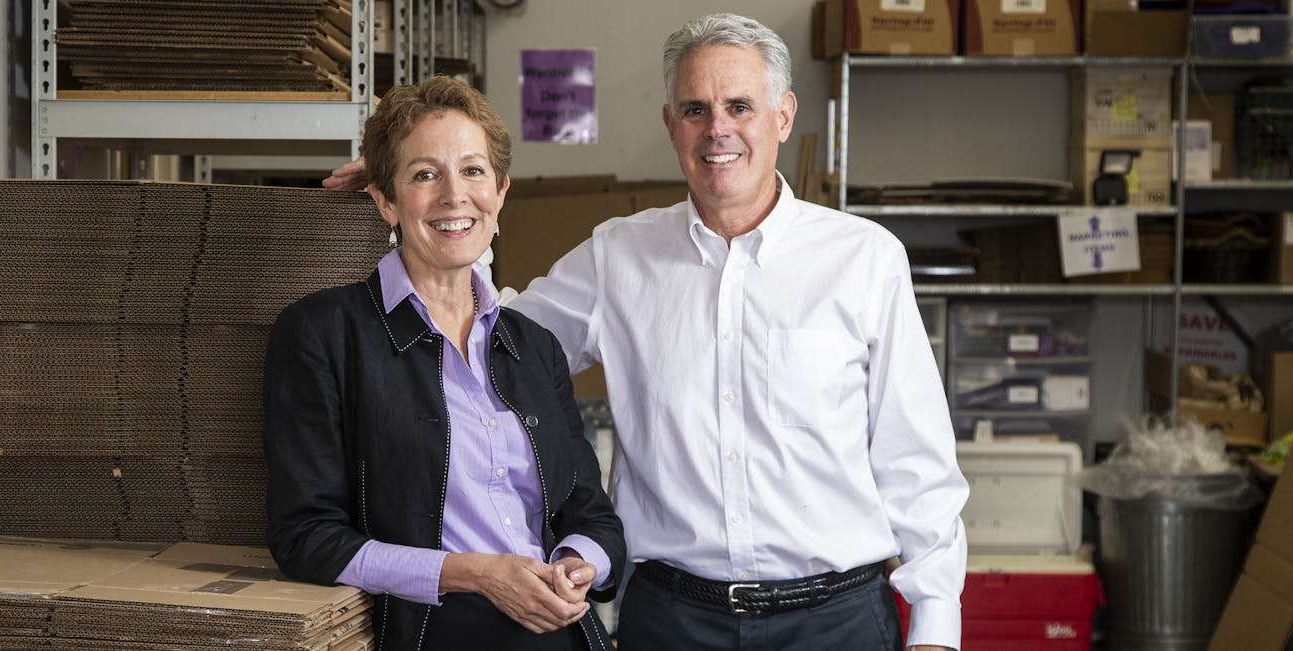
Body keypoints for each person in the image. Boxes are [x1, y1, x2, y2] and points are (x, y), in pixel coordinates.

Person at [325, 14, 968, 651]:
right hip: (672, 621)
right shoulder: (618, 257)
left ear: (783, 114)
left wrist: (936, 624)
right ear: (670, 124)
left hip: (837, 621)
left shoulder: (864, 259)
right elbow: (492, 332)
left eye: (739, 105)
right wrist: (423, 187)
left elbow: (915, 458)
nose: (717, 129)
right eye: (694, 108)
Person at [265, 75, 624, 651]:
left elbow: (592, 511)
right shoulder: (324, 334)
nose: (455, 195)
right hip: (434, 631)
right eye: (425, 174)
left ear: (501, 191)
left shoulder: (535, 347)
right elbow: (304, 537)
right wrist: (473, 573)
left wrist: (579, 563)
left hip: (562, 630)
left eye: (474, 170)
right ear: (385, 199)